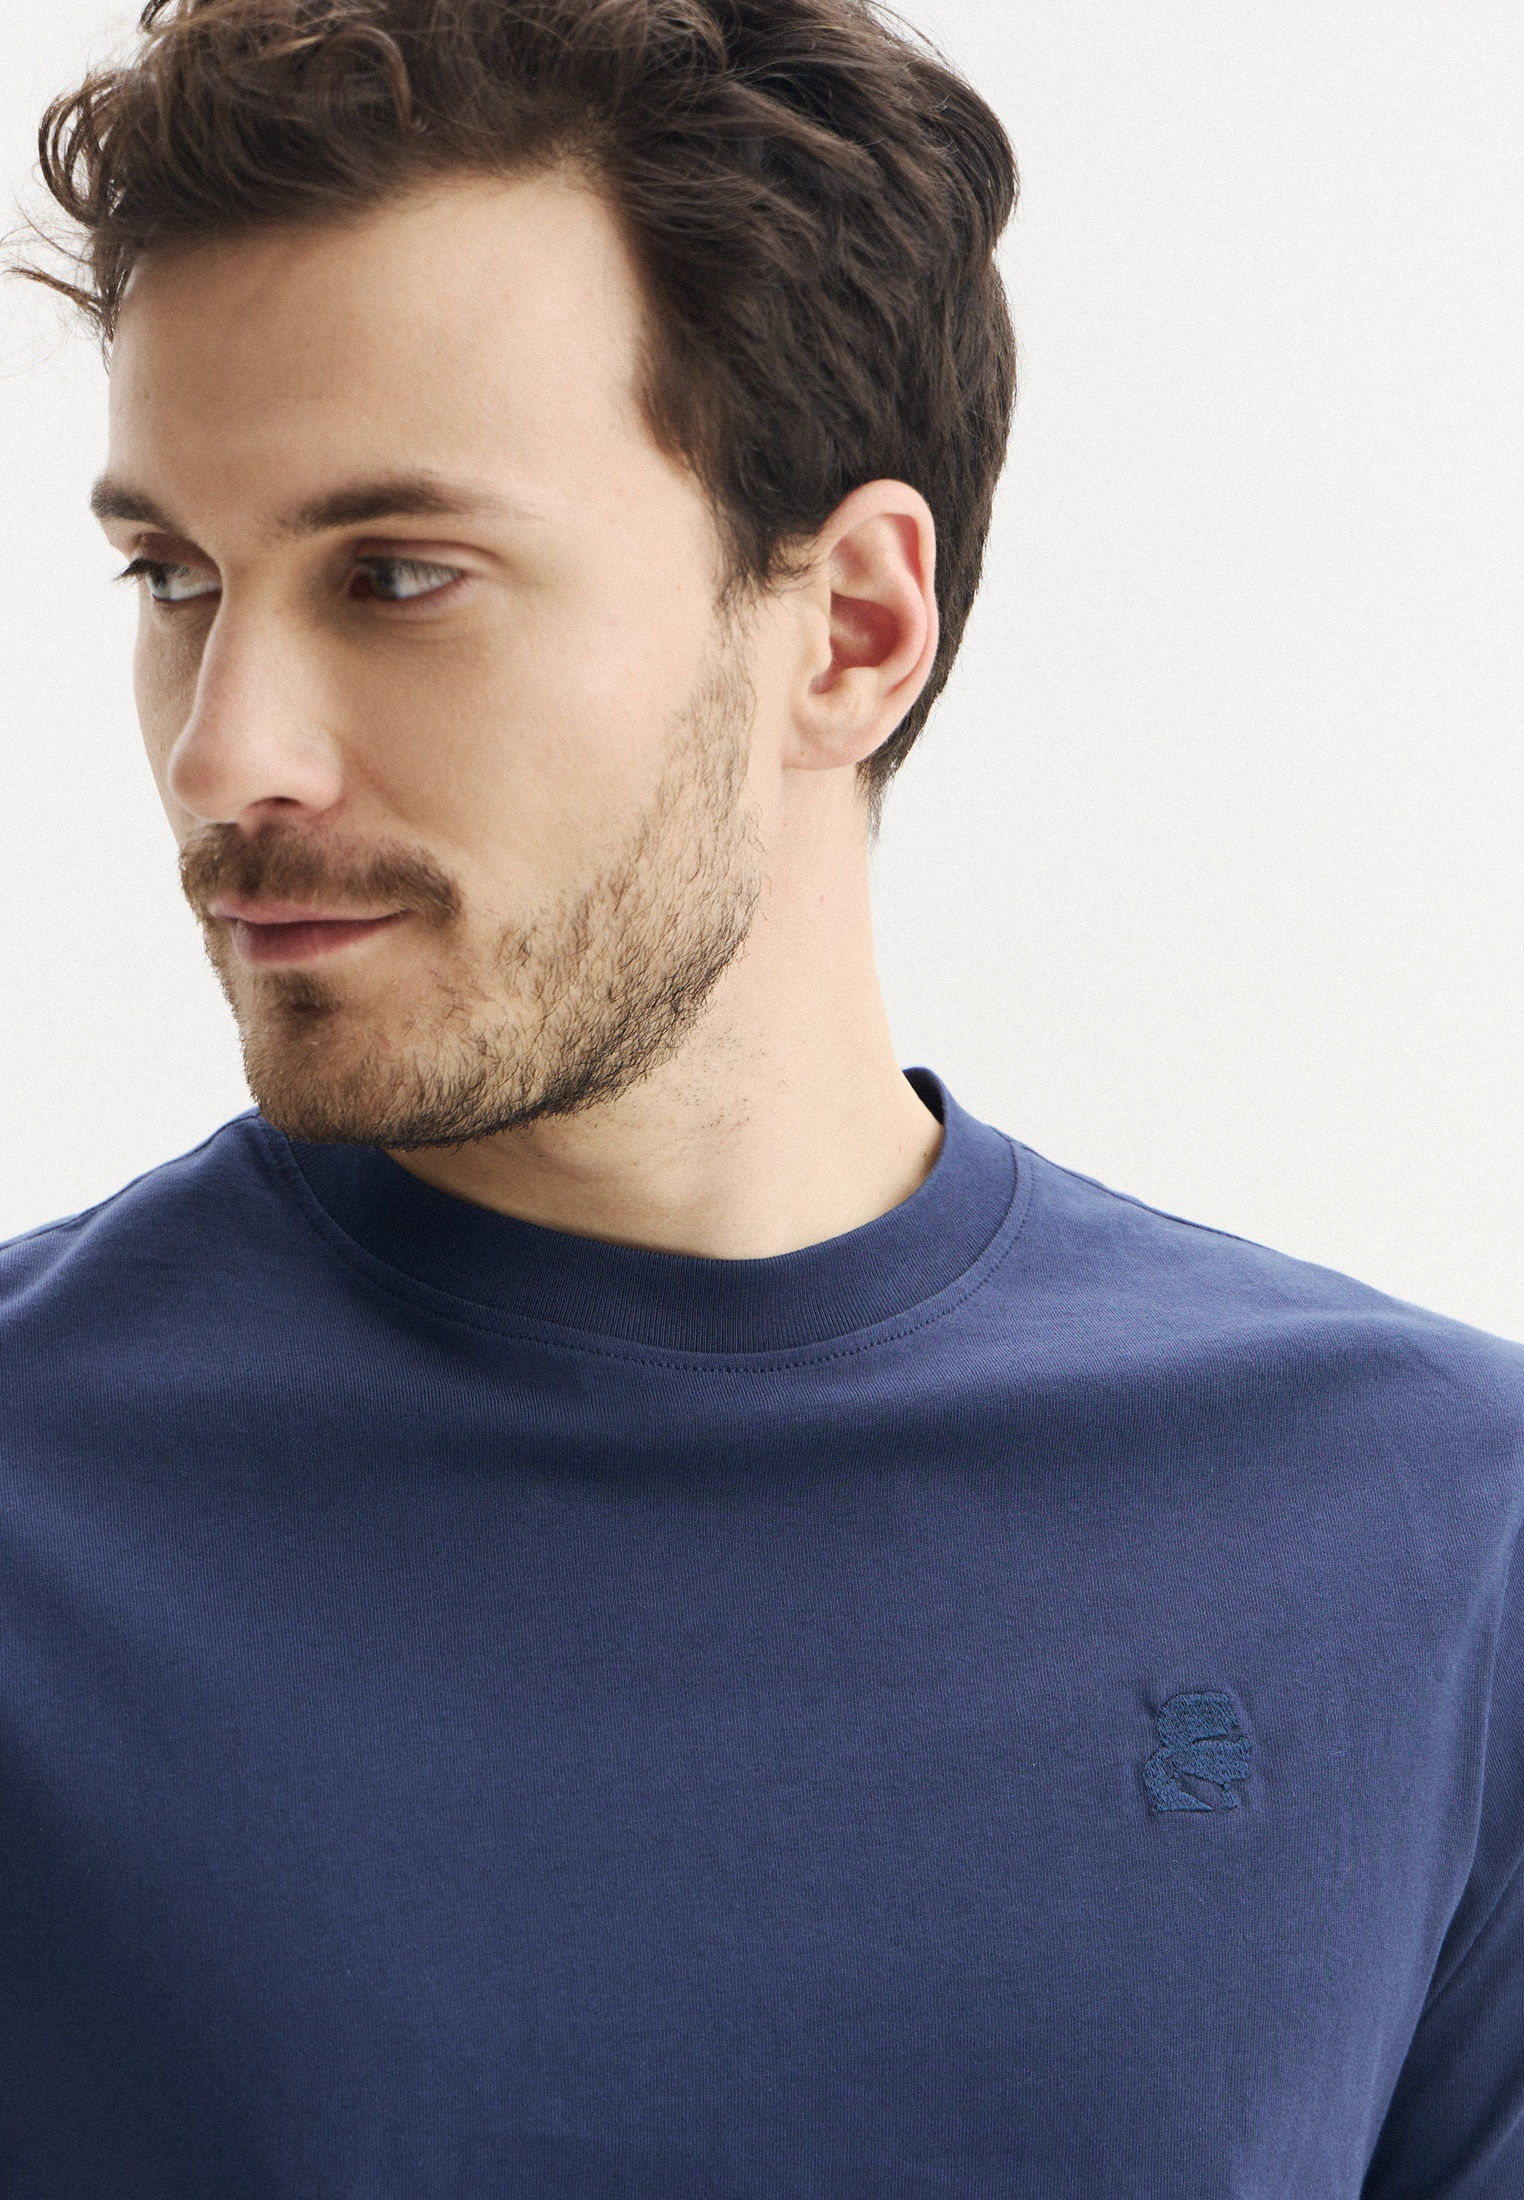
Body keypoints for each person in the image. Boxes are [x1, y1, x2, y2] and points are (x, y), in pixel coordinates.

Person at [4, 1, 1521, 2191]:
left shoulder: (1433, 1528)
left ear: (852, 629)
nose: (222, 750)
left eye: (398, 574)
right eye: (173, 578)